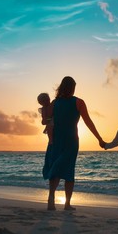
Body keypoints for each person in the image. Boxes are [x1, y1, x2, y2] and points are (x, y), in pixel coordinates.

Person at [43, 76, 105, 211]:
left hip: (56, 140)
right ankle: (67, 204)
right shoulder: (79, 102)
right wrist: (99, 138)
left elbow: (47, 122)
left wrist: (50, 139)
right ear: (73, 88)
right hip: (71, 140)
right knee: (69, 170)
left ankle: (51, 198)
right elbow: (88, 122)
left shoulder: (54, 103)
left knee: (55, 168)